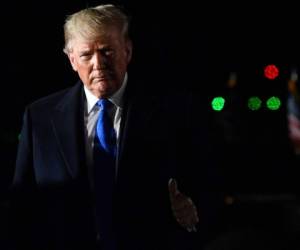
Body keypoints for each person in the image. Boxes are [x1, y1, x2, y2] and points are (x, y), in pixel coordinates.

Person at [8, 4, 225, 250]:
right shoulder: (40, 117)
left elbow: (210, 184)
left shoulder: (174, 112)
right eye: (86, 55)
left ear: (128, 51)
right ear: (71, 60)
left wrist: (191, 208)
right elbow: (22, 206)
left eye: (107, 51)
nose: (98, 63)